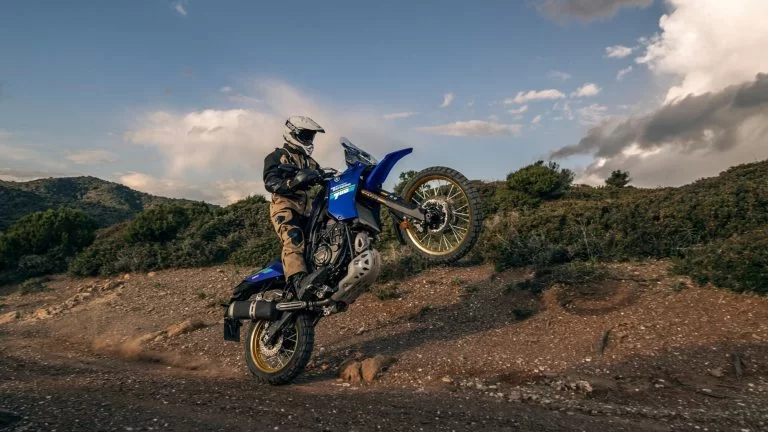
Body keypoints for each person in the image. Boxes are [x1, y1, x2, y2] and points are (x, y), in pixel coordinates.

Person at [263, 116, 325, 291]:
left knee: (318, 239)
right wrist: (292, 183)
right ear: (292, 133)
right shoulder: (277, 156)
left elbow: (324, 176)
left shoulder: (309, 161)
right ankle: (298, 282)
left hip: (307, 210)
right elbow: (270, 182)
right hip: (285, 207)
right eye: (305, 135)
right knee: (294, 239)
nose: (309, 140)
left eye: (311, 136)